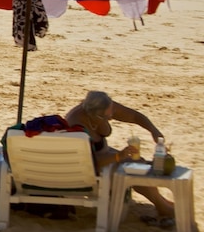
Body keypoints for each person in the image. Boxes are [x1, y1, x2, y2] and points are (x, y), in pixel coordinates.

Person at [66, 91, 175, 225]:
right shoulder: (77, 127)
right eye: (108, 116)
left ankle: (161, 201)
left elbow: (134, 116)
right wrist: (119, 156)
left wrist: (153, 130)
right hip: (89, 166)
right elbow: (91, 163)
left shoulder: (101, 106)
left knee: (138, 163)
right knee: (134, 169)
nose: (112, 116)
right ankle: (162, 206)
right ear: (96, 115)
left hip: (101, 155)